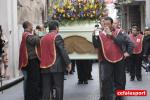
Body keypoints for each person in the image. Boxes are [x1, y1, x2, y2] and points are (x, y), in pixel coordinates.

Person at [92, 17, 134, 100]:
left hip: (119, 59)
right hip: (105, 59)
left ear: (111, 24)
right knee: (105, 79)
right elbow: (96, 45)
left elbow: (121, 42)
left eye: (108, 24)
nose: (106, 26)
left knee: (119, 79)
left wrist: (111, 35)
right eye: (104, 24)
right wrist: (94, 36)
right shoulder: (100, 34)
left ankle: (119, 97)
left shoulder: (118, 32)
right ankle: (106, 97)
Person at [40, 20, 71, 100]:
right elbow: (62, 51)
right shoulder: (57, 36)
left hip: (44, 67)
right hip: (56, 67)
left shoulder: (43, 38)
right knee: (58, 88)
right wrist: (68, 63)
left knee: (46, 89)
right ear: (57, 28)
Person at [19, 21, 41, 100]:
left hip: (31, 60)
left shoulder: (26, 34)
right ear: (28, 26)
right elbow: (36, 41)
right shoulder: (27, 35)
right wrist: (38, 34)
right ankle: (33, 97)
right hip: (31, 61)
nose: (32, 27)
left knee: (32, 80)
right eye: (31, 26)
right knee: (34, 80)